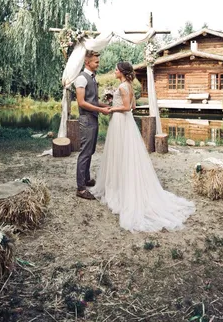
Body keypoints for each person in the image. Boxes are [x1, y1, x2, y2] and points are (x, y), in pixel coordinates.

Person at [89, 61, 195, 232]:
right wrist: (113, 103)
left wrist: (112, 109)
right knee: (126, 154)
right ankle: (121, 184)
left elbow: (125, 108)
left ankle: (118, 188)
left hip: (120, 122)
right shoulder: (128, 85)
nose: (114, 71)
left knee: (119, 153)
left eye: (116, 69)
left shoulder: (123, 87)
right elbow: (133, 106)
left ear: (122, 72)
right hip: (127, 123)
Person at [75, 50, 110, 200]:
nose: (98, 63)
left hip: (93, 118)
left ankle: (87, 179)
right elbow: (81, 102)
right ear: (87, 63)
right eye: (96, 61)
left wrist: (106, 105)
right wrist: (100, 110)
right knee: (85, 153)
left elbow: (92, 101)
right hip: (87, 119)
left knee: (90, 151)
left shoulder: (93, 78)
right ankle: (81, 188)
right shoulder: (81, 79)